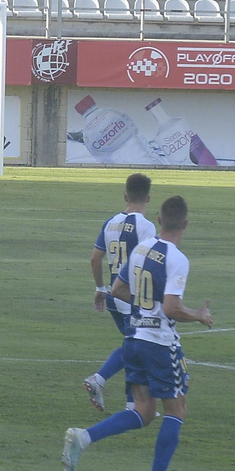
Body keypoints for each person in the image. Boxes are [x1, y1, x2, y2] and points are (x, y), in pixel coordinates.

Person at [62, 196, 211, 471]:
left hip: (134, 338)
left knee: (142, 412)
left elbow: (117, 289)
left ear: (159, 220)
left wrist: (145, 308)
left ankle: (84, 437)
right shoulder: (177, 258)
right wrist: (198, 314)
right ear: (185, 224)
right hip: (159, 345)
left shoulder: (142, 250)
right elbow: (171, 308)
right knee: (176, 409)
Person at [83, 173, 156, 412]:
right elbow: (148, 264)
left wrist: (100, 288)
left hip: (113, 296)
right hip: (133, 298)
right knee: (138, 346)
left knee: (134, 346)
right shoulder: (146, 227)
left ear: (125, 196)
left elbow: (96, 258)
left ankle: (132, 403)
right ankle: (102, 381)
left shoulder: (110, 222)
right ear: (148, 198)